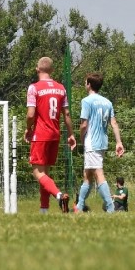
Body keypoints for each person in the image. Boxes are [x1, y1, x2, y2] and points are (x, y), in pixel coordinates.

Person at [25, 56, 77, 213]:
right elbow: (66, 114)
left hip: (40, 135)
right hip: (55, 135)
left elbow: (30, 114)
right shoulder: (61, 88)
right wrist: (71, 134)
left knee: (37, 172)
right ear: (52, 70)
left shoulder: (34, 88)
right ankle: (44, 210)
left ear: (37, 69)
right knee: (45, 173)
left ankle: (59, 195)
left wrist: (28, 129)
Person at [74, 72, 125, 213]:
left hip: (92, 142)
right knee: (88, 174)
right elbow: (113, 123)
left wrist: (81, 138)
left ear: (89, 84)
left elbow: (84, 124)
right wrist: (119, 142)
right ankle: (79, 206)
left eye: (85, 82)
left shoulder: (86, 101)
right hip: (102, 142)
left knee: (98, 173)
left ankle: (110, 206)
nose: (85, 84)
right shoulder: (107, 102)